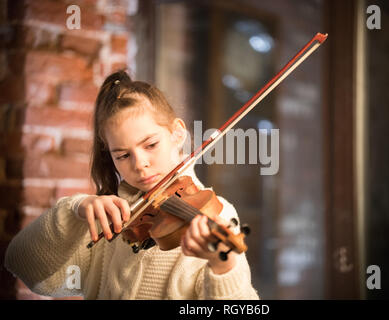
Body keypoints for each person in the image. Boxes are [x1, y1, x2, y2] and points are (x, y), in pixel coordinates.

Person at [4, 70, 259, 300]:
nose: (140, 164)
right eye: (123, 155)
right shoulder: (113, 220)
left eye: (150, 145)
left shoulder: (219, 214)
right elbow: (23, 264)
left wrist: (223, 267)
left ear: (177, 134)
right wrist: (74, 209)